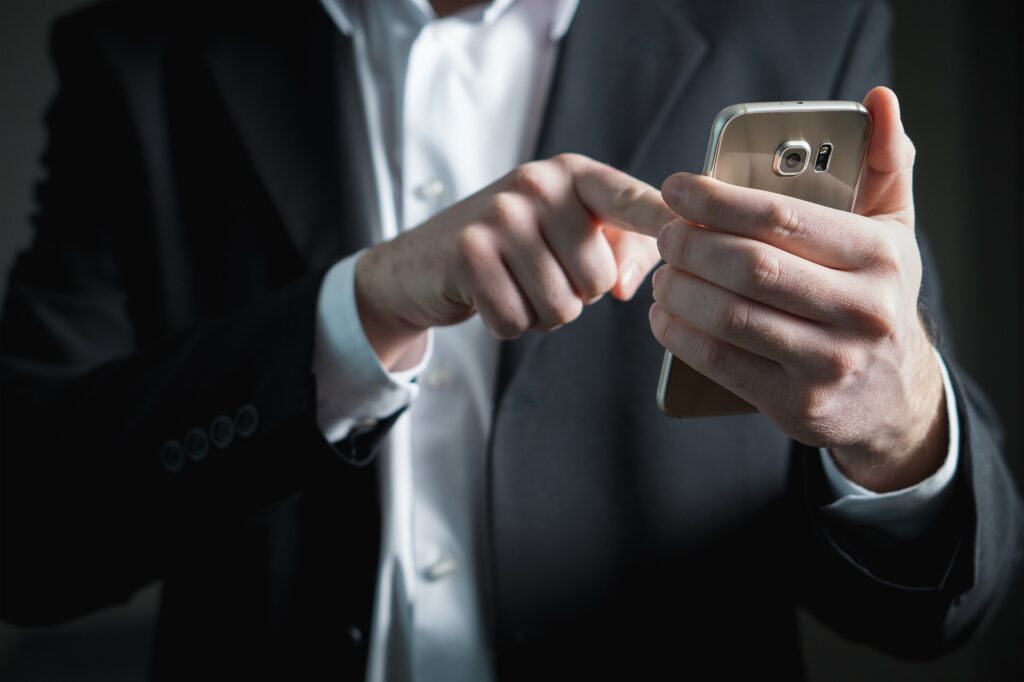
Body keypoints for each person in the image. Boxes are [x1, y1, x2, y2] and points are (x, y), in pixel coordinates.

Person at [0, 0, 1020, 680]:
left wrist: (898, 433)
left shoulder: (799, 22)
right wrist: (359, 311)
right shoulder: (140, 49)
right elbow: (30, 539)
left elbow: (934, 610)